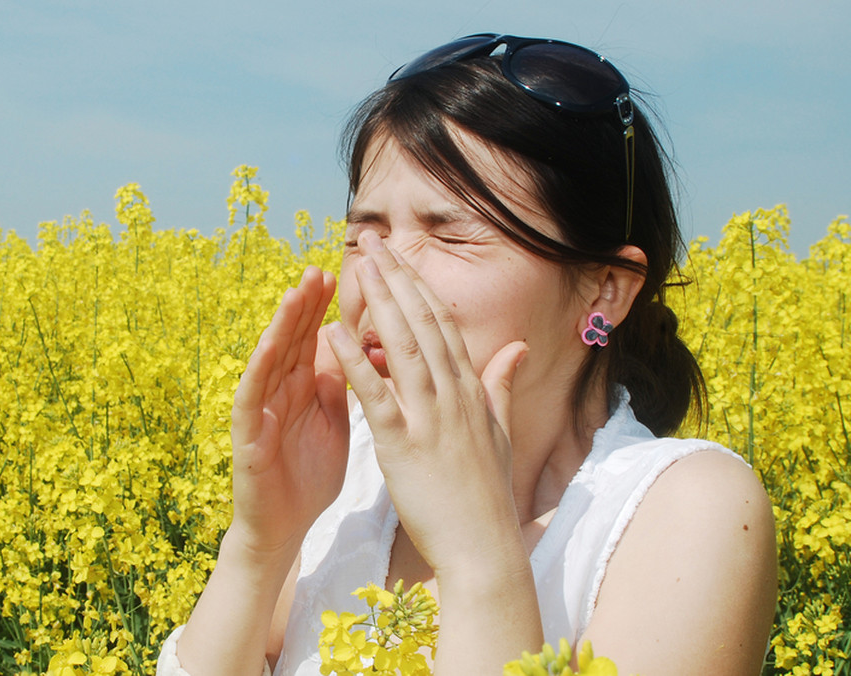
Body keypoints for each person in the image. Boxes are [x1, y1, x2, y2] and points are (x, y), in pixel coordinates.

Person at [157, 34, 777, 675]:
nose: (378, 274)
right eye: (361, 234)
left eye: (450, 232)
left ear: (605, 289)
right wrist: (261, 543)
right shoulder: (351, 479)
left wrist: (478, 558)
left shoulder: (688, 511)